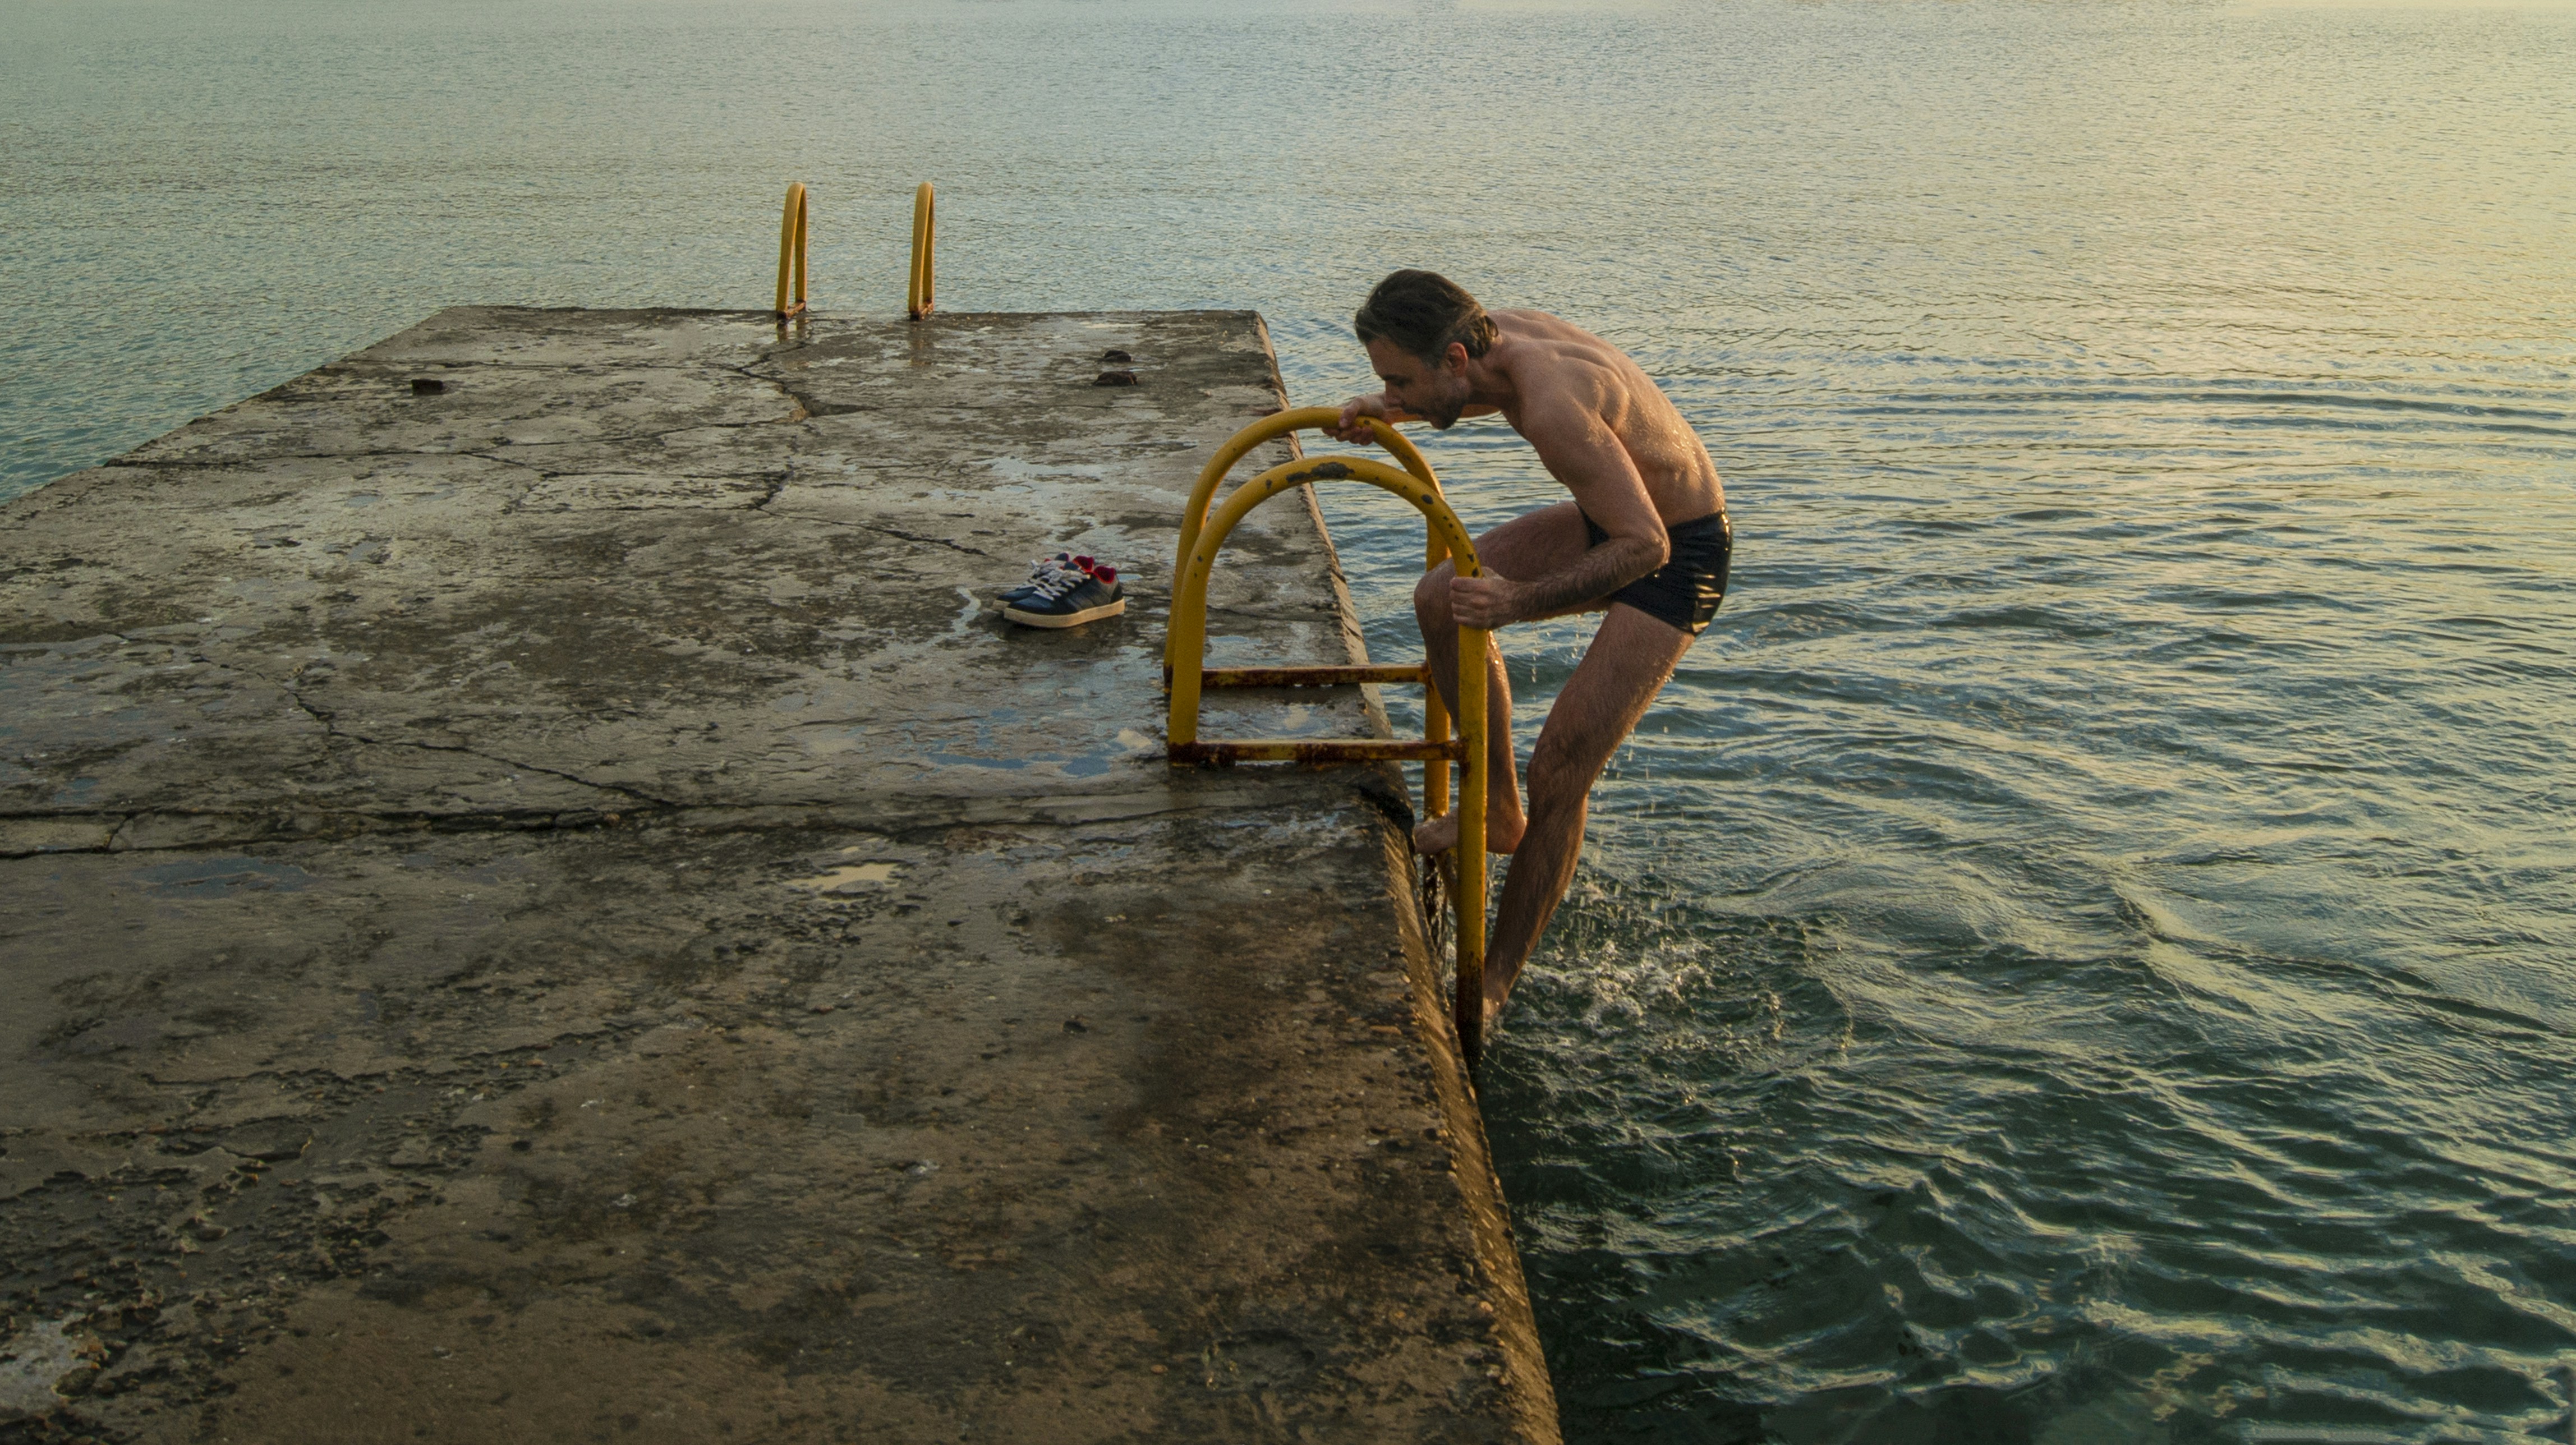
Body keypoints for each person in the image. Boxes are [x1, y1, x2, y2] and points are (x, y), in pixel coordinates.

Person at [1332, 270, 1732, 1033]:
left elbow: (1645, 546)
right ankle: (1499, 812)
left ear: (1452, 355)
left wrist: (1520, 602)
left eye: (1397, 380)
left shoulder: (1553, 403)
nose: (1393, 392)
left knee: (1562, 764)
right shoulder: (1490, 338)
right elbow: (1461, 396)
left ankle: (1494, 983)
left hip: (1675, 555)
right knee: (1438, 600)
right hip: (1616, 517)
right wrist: (1381, 410)